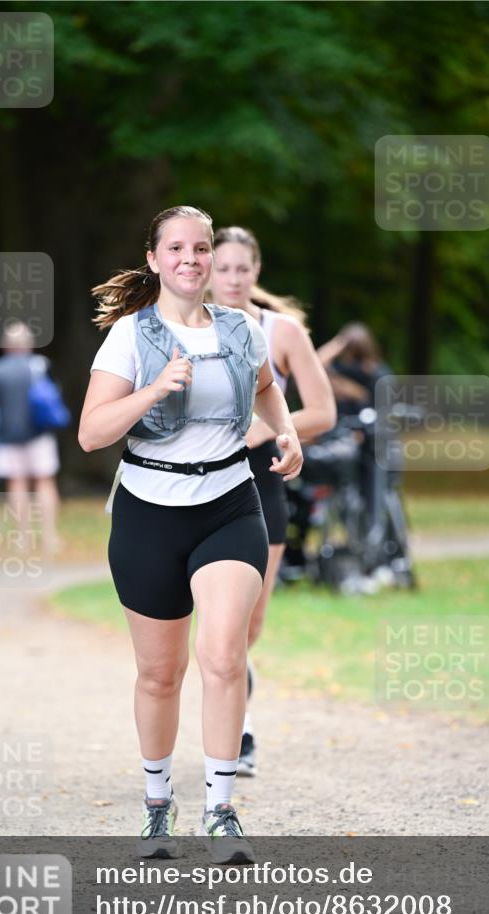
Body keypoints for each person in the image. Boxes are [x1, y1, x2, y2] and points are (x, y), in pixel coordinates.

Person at [79, 206, 303, 863]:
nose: (190, 258)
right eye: (176, 248)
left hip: (229, 504)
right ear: (153, 259)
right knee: (158, 674)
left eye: (200, 248)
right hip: (148, 509)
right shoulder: (129, 336)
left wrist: (284, 431)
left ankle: (220, 808)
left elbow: (266, 389)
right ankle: (157, 805)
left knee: (224, 655)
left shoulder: (239, 330)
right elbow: (93, 433)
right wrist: (154, 389)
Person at [210, 226, 336, 777]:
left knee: (249, 625)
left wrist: (267, 431)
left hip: (263, 487)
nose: (234, 278)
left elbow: (323, 413)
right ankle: (237, 733)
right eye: (224, 268)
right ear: (207, 271)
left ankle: (235, 712)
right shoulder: (185, 324)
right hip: (200, 486)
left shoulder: (281, 332)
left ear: (256, 271)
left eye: (243, 268)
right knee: (219, 627)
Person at [0, 322, 62, 553]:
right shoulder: (40, 365)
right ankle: (50, 537)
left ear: (6, 346)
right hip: (40, 434)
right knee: (45, 482)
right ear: (29, 345)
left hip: (8, 436)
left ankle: (22, 538)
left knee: (17, 484)